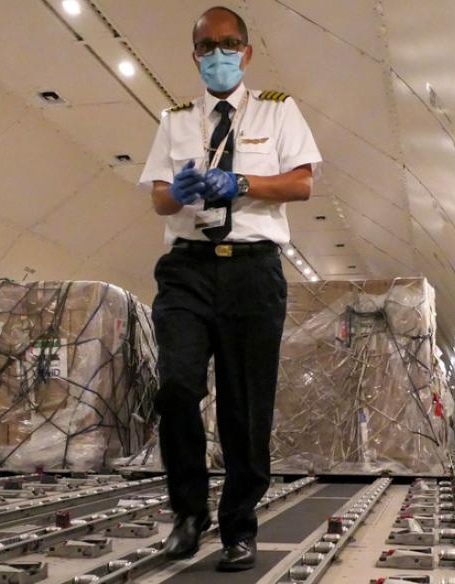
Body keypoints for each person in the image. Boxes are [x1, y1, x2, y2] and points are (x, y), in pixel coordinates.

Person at [138, 5, 322, 573]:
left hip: (252, 269)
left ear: (245, 51)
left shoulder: (278, 111)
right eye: (206, 47)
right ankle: (188, 516)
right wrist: (182, 189)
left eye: (228, 44)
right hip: (187, 269)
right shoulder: (175, 119)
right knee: (175, 389)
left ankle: (238, 527)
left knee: (246, 407)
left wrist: (241, 181)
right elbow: (160, 198)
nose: (218, 54)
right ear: (195, 55)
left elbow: (303, 182)